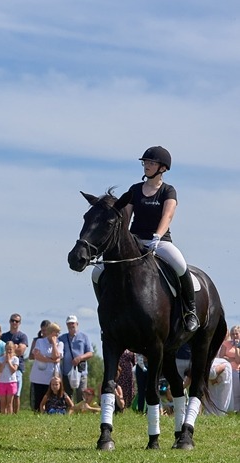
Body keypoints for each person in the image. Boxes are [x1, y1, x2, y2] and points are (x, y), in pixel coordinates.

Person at [91, 146, 198, 332]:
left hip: (160, 241)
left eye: (151, 162)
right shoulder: (135, 190)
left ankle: (190, 311)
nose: (146, 165)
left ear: (162, 168)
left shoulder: (168, 191)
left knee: (180, 264)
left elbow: (168, 215)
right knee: (97, 272)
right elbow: (126, 216)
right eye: (145, 162)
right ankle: (107, 312)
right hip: (135, 241)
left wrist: (157, 236)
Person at [59, 315, 94, 403]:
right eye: (69, 323)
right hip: (66, 372)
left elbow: (90, 353)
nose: (71, 325)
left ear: (77, 324)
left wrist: (80, 358)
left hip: (81, 372)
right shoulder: (62, 338)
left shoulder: (84, 337)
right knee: (67, 395)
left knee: (81, 394)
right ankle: (69, 412)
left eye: (73, 323)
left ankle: (80, 412)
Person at [30, 322, 63, 412]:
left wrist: (53, 344)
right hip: (39, 376)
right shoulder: (40, 342)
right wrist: (51, 360)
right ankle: (37, 413)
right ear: (51, 332)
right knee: (38, 398)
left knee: (49, 398)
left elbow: (56, 356)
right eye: (56, 332)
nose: (57, 334)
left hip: (51, 376)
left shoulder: (60, 344)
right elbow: (37, 356)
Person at [2, 314, 29, 414]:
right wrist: (15, 348)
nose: (14, 323)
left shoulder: (22, 336)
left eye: (17, 321)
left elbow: (21, 351)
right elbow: (1, 352)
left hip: (17, 368)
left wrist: (9, 350)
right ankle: (5, 413)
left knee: (16, 393)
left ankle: (15, 414)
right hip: (4, 367)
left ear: (20, 323)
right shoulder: (4, 336)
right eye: (13, 320)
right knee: (4, 394)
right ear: (9, 321)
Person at [218, 326, 240, 413]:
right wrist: (232, 359)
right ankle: (230, 410)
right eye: (232, 334)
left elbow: (238, 361)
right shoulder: (226, 344)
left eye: (236, 334)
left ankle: (237, 411)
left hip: (237, 371)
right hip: (228, 371)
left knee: (237, 393)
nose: (234, 336)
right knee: (230, 393)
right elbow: (221, 357)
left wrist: (236, 348)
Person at [0, 341, 19, 415]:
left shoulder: (15, 359)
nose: (9, 351)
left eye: (10, 349)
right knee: (3, 403)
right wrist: (4, 362)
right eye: (7, 349)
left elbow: (13, 370)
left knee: (9, 403)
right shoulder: (1, 359)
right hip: (2, 382)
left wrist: (9, 361)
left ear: (13, 349)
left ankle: (9, 416)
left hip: (11, 382)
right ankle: (3, 416)